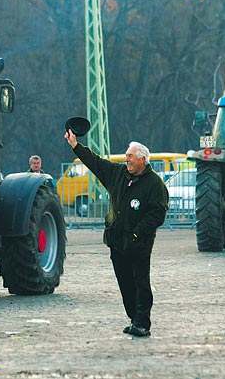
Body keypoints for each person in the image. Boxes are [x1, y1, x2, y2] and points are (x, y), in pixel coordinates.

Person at [64, 129, 169, 337]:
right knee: (125, 283)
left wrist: (138, 233)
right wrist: (76, 146)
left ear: (143, 160)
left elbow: (158, 213)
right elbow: (96, 162)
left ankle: (143, 323)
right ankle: (133, 318)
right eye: (126, 156)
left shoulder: (155, 184)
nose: (126, 159)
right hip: (117, 241)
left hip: (139, 244)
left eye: (130, 156)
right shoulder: (118, 174)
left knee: (140, 282)